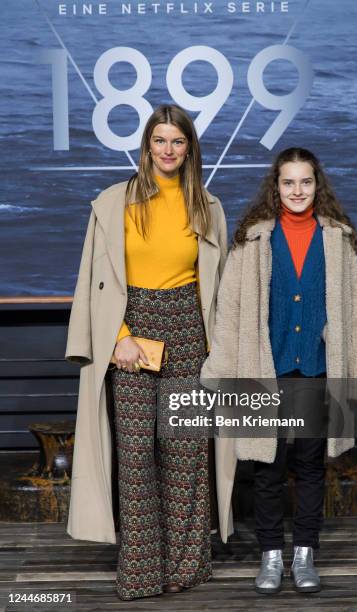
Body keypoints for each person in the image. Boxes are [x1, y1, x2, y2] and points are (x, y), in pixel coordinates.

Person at [65, 104, 227, 600]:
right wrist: (119, 335)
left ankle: (186, 566)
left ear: (189, 148)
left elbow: (218, 287)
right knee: (135, 455)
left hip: (187, 332)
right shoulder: (114, 203)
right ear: (146, 146)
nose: (168, 150)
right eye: (160, 140)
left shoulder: (208, 206)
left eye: (177, 142)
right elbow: (95, 283)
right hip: (132, 333)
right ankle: (141, 571)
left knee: (184, 452)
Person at [201, 147, 357, 594]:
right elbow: (230, 311)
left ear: (317, 186)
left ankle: (304, 553)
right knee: (268, 466)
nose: (297, 191)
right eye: (288, 182)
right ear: (275, 187)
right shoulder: (252, 241)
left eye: (305, 182)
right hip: (266, 368)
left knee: (311, 464)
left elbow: (356, 312)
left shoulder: (338, 239)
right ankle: (270, 555)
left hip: (317, 369)